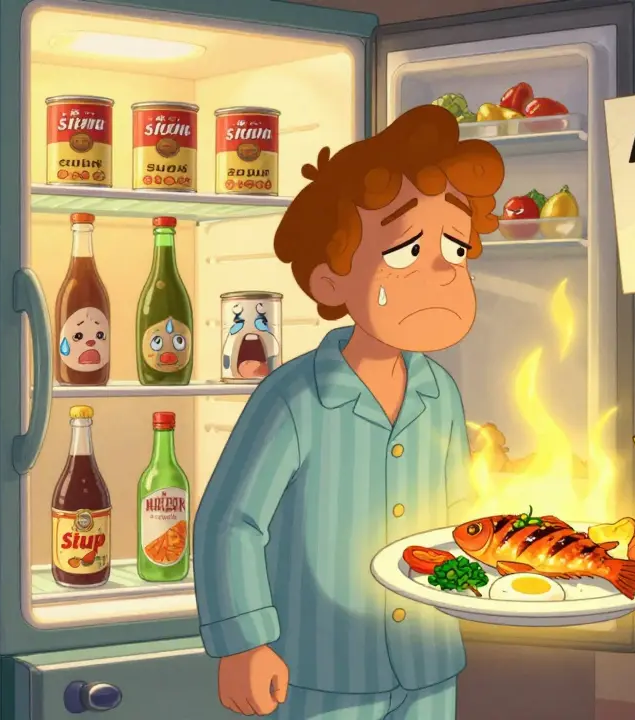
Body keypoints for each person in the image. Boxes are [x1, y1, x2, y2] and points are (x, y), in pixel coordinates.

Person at [193, 105, 505, 720]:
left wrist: (505, 576)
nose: (441, 270)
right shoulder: (294, 397)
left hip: (428, 659)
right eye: (408, 248)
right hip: (318, 670)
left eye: (455, 247)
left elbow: (460, 513)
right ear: (331, 281)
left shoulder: (439, 392)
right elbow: (231, 523)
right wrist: (245, 643)